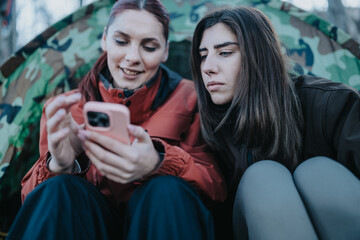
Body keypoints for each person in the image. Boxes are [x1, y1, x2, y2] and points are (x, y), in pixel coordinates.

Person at [6, 1, 226, 239]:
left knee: (166, 190)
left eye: (149, 47)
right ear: (104, 40)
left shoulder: (193, 99)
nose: (132, 57)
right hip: (90, 227)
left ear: (165, 51)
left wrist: (160, 162)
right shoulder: (67, 108)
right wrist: (59, 165)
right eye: (121, 41)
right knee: (59, 189)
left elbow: (217, 189)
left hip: (160, 223)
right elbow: (33, 203)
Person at [191, 6, 360, 240]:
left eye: (225, 53)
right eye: (203, 56)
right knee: (264, 176)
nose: (207, 67)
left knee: (318, 171)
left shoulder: (332, 103)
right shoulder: (208, 125)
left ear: (258, 54)